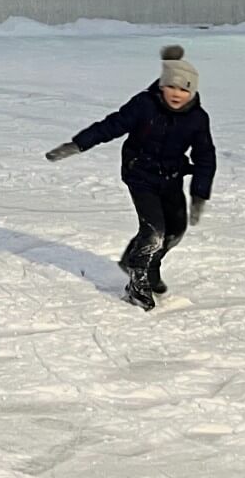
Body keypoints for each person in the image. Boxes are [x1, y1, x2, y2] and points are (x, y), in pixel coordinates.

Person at [44, 45, 217, 310]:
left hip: (171, 178)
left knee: (175, 232)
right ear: (162, 85)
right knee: (154, 232)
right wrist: (78, 144)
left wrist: (199, 194)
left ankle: (149, 267)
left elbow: (205, 156)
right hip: (140, 175)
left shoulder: (197, 119)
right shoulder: (145, 105)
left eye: (184, 90)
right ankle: (137, 283)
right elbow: (112, 125)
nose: (177, 94)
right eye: (172, 87)